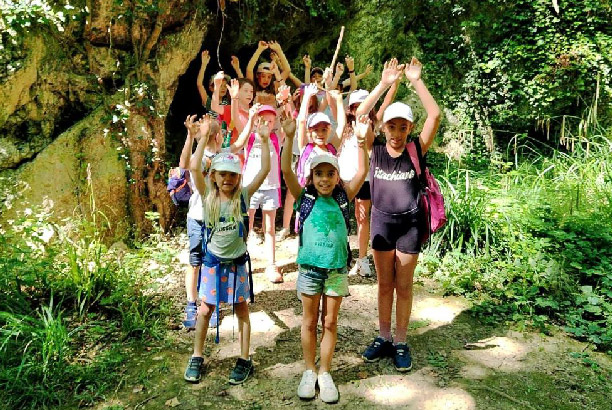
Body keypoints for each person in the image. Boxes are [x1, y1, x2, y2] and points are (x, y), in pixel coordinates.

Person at [357, 58, 441, 372]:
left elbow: (434, 114)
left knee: (403, 286)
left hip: (409, 225)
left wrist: (416, 81)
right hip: (381, 223)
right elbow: (361, 115)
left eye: (402, 126)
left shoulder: (416, 149)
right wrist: (383, 83)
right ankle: (383, 336)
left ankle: (401, 341)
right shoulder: (374, 149)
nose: (395, 132)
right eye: (391, 125)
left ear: (409, 127)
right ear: (385, 127)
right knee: (383, 285)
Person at [281, 114, 369, 403]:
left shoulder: (344, 197)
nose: (325, 179)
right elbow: (285, 172)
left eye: (330, 174)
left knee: (330, 323)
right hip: (309, 270)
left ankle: (325, 372)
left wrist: (361, 143)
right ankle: (309, 370)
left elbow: (362, 171)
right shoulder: (304, 197)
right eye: (319, 174)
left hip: (336, 271)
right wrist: (290, 136)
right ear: (311, 177)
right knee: (308, 323)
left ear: (336, 176)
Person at [184, 115, 272, 385]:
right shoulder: (207, 196)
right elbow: (194, 167)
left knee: (242, 309)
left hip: (236, 264)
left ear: (238, 177)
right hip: (212, 263)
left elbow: (265, 170)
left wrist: (265, 140)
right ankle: (197, 355)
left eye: (232, 174)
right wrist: (200, 140)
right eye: (222, 173)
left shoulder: (242, 196)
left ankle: (245, 358)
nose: (228, 179)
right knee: (205, 309)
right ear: (214, 176)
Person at [339, 80, 400, 277]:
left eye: (362, 105)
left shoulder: (373, 124)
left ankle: (363, 258)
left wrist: (395, 82)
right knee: (339, 217)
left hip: (364, 178)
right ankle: (342, 254)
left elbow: (386, 101)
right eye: (355, 106)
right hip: (342, 178)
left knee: (362, 218)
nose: (358, 109)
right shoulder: (343, 126)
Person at [178, 114, 223, 329]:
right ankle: (191, 303)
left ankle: (210, 303)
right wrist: (190, 136)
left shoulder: (222, 156)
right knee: (195, 262)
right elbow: (185, 164)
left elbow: (240, 144)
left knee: (211, 262)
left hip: (215, 218)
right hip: (197, 217)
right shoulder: (200, 156)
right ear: (218, 136)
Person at [232, 103, 285, 283]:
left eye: (271, 121)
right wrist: (251, 118)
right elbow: (239, 129)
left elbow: (293, 126)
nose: (267, 124)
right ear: (256, 121)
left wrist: (285, 103)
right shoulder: (251, 137)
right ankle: (241, 263)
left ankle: (271, 264)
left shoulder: (277, 138)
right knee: (246, 226)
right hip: (250, 188)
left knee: (269, 229)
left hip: (271, 187)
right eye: (263, 120)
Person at [196, 50, 229, 116]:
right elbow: (199, 84)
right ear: (211, 88)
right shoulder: (209, 102)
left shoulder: (229, 101)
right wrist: (204, 64)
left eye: (225, 86)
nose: (223, 88)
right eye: (220, 85)